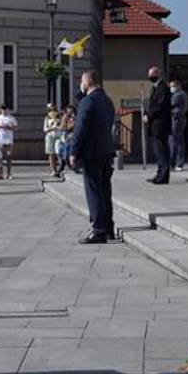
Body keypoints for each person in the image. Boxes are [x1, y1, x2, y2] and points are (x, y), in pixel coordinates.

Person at [69, 69, 117, 244]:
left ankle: (98, 230)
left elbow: (80, 129)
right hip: (106, 150)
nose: (80, 85)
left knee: (94, 191)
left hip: (92, 152)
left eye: (82, 81)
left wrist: (73, 152)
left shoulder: (88, 102)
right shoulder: (107, 101)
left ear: (88, 81)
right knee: (105, 191)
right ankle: (109, 228)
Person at [144, 66, 172, 185]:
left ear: (157, 74)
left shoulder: (163, 88)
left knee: (162, 151)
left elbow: (159, 107)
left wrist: (148, 116)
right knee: (159, 151)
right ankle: (159, 173)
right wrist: (146, 112)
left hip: (160, 125)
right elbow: (153, 105)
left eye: (152, 75)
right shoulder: (155, 88)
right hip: (155, 125)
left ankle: (163, 176)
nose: (150, 77)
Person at [169, 78, 188, 172]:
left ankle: (177, 163)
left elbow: (169, 105)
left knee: (176, 142)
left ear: (178, 86)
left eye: (173, 86)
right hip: (176, 119)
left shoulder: (178, 95)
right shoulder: (179, 94)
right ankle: (173, 163)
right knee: (176, 141)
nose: (171, 88)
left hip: (177, 119)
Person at [0, 104, 18, 178]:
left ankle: (9, 173)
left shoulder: (11, 118)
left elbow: (15, 127)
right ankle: (0, 174)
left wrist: (8, 127)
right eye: (2, 109)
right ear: (0, 110)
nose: (4, 110)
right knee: (0, 157)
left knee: (9, 157)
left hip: (8, 139)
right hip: (0, 140)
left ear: (7, 109)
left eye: (5, 109)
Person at [43, 103, 64, 178]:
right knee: (51, 153)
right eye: (50, 110)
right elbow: (45, 129)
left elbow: (62, 127)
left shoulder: (60, 118)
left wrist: (57, 126)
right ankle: (53, 170)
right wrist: (51, 127)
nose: (52, 111)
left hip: (58, 136)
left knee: (58, 151)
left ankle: (60, 168)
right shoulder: (47, 118)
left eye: (53, 109)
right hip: (50, 136)